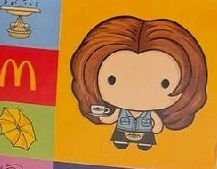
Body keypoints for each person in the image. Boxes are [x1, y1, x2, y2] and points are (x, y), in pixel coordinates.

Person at [69, 15, 208, 152]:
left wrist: (156, 127)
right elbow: (110, 118)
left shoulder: (151, 114)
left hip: (145, 134)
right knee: (120, 139)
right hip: (122, 130)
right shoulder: (119, 111)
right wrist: (101, 116)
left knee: (146, 141)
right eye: (112, 80)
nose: (137, 92)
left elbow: (157, 126)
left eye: (164, 83)